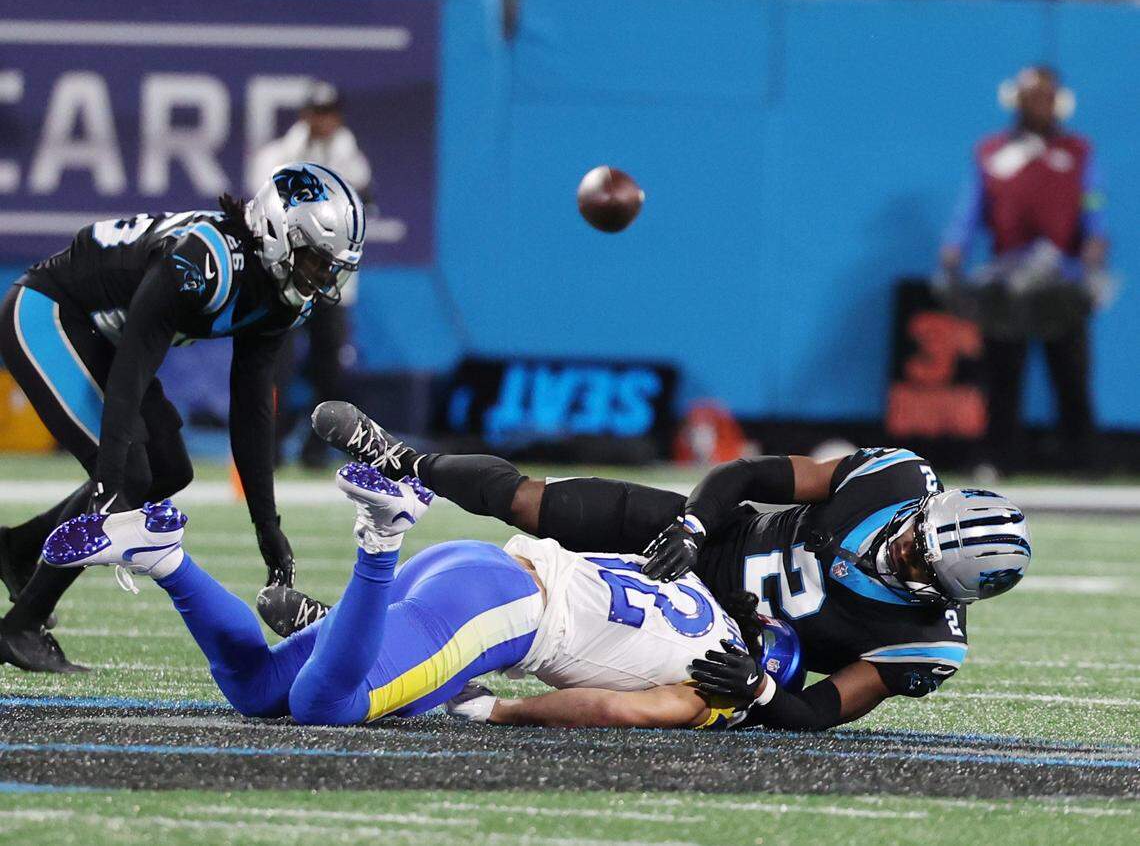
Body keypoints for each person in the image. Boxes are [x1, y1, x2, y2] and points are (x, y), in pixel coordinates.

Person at [278, 402, 1031, 731]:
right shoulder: (896, 479)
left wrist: (764, 688)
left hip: (716, 647)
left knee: (551, 645)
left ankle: (361, 638)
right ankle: (400, 456)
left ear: (946, 590)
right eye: (914, 535)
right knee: (533, 505)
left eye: (916, 561)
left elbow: (821, 714)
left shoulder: (928, 642)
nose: (900, 546)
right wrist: (698, 526)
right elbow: (750, 474)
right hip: (703, 541)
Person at [38, 462, 800, 730]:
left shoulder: (694, 584)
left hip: (478, 563)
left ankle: (164, 555)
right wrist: (496, 708)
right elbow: (620, 709)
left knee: (260, 688)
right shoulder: (720, 691)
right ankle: (381, 534)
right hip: (504, 614)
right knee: (322, 708)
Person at [0, 163, 366, 673]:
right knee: (130, 475)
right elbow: (131, 368)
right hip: (50, 313)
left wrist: (266, 522)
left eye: (332, 267)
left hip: (107, 338)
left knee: (170, 470)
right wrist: (107, 482)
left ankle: (20, 550)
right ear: (281, 234)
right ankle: (20, 625)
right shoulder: (204, 259)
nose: (323, 277)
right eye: (316, 261)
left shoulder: (281, 296)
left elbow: (253, 406)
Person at [939, 65, 1109, 474]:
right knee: (1003, 375)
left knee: (1070, 372)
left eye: (1046, 96)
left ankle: (1081, 460)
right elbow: (972, 204)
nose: (1039, 104)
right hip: (1007, 280)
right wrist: (954, 246)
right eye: (1031, 95)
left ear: (1058, 102)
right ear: (1016, 99)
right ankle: (999, 458)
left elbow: (1093, 201)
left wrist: (1096, 236)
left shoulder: (1079, 151)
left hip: (1060, 278)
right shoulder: (992, 151)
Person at [248, 81, 372, 469]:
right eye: (317, 113)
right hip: (283, 279)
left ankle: (318, 447)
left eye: (329, 113)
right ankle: (269, 445)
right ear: (305, 114)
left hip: (331, 283)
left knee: (329, 367)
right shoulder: (274, 156)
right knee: (277, 366)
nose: (323, 121)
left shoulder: (353, 161)